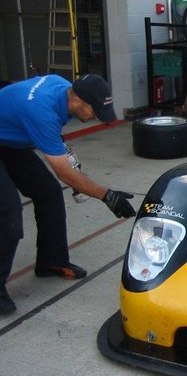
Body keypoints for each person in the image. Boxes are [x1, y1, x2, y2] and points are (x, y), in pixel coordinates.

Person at [0, 74, 136, 314]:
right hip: (6, 138)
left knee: (49, 193)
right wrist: (108, 195)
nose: (95, 118)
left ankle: (51, 261)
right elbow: (63, 172)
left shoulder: (63, 88)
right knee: (8, 210)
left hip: (9, 140)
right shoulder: (41, 111)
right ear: (77, 103)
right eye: (95, 112)